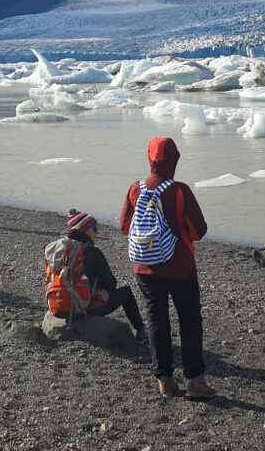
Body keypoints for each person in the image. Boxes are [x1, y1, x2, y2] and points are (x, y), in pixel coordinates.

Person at [120, 137, 216, 399]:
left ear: (150, 159)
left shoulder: (135, 189)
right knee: (189, 320)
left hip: (143, 267)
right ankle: (195, 381)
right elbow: (199, 231)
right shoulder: (179, 190)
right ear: (174, 160)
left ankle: (164, 380)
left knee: (156, 320)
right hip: (180, 266)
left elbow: (125, 226)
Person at [65, 209, 148, 342]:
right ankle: (141, 332)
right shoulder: (92, 252)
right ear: (84, 230)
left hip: (63, 303)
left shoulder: (63, 249)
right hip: (86, 306)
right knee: (126, 292)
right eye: (94, 228)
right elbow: (111, 284)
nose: (97, 232)